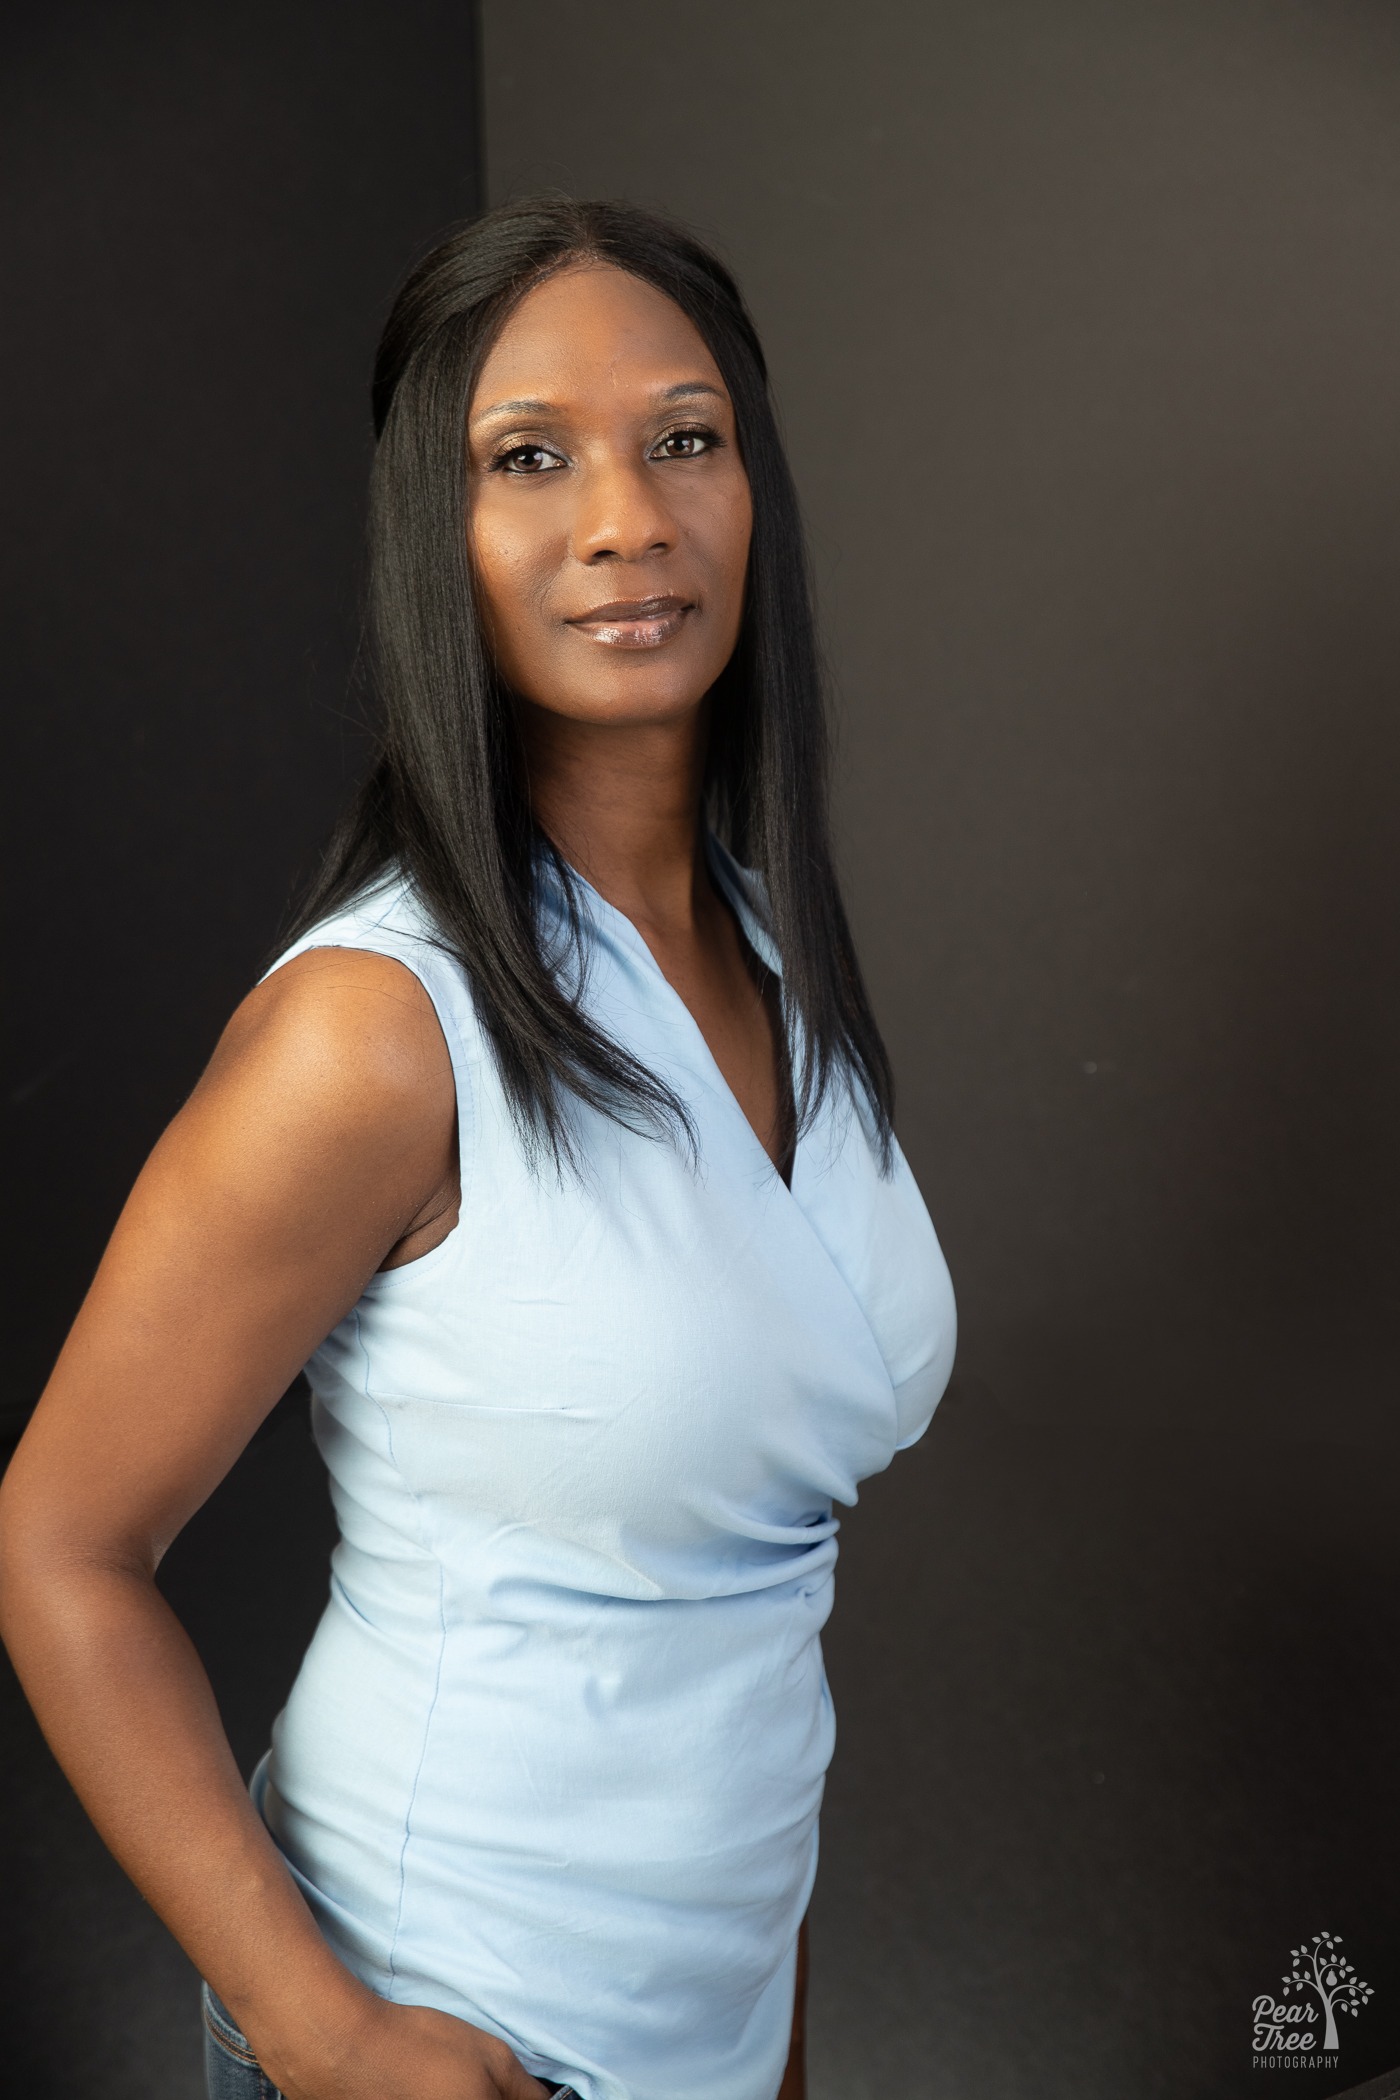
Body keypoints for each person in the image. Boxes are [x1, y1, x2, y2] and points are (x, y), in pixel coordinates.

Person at [0, 197, 956, 2100]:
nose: (627, 518)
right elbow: (60, 1546)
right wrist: (324, 2031)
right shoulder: (375, 1032)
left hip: (719, 2007)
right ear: (433, 537)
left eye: (685, 437)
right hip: (451, 2026)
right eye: (529, 459)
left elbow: (743, 1611)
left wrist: (761, 2025)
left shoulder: (773, 960)